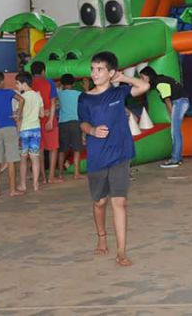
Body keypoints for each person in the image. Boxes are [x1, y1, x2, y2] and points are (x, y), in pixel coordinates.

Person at [78, 52, 150, 267]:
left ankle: (121, 251)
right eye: (92, 69)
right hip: (97, 156)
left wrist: (124, 78)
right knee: (100, 202)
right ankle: (101, 236)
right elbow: (82, 122)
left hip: (120, 154)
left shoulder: (119, 93)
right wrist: (92, 130)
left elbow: (144, 86)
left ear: (110, 73)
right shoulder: (85, 98)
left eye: (99, 69)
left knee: (120, 202)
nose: (94, 73)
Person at [139, 66, 188, 169]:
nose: (141, 80)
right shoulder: (161, 80)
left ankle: (175, 159)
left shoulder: (160, 83)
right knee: (176, 131)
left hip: (179, 102)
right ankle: (177, 157)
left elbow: (167, 100)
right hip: (181, 102)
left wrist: (171, 114)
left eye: (142, 77)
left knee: (175, 132)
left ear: (148, 76)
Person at [0, 70, 25, 197]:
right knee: (11, 159)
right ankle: (12, 190)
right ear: (2, 81)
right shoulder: (9, 92)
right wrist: (18, 114)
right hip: (9, 127)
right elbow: (22, 100)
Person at [30, 61, 60, 183]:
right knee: (53, 148)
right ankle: (51, 176)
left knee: (40, 149)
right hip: (48, 119)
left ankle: (43, 177)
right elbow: (53, 102)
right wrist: (51, 119)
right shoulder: (49, 82)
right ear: (43, 71)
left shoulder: (29, 84)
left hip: (35, 120)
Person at [15, 72, 44, 192]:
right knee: (35, 158)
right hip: (36, 130)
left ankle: (23, 185)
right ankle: (36, 184)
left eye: (17, 83)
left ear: (24, 84)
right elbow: (42, 114)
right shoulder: (38, 96)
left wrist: (17, 133)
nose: (16, 86)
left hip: (24, 130)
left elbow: (18, 117)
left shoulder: (20, 98)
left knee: (23, 159)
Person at [56, 74, 84, 179]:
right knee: (77, 149)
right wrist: (86, 87)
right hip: (75, 123)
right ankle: (76, 173)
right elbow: (89, 97)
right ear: (74, 83)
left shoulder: (59, 94)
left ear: (62, 84)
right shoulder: (78, 94)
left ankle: (60, 174)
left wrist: (58, 85)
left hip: (62, 123)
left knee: (62, 150)